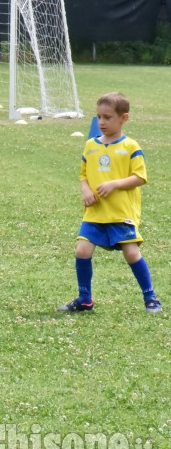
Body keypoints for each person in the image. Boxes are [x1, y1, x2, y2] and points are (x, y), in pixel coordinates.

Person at [59, 92, 162, 314]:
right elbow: (83, 175)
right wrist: (86, 190)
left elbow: (140, 177)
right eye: (99, 117)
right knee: (82, 250)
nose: (102, 122)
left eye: (108, 117)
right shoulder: (90, 146)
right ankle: (85, 299)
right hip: (95, 212)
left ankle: (151, 298)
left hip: (120, 213)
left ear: (123, 118)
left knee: (131, 253)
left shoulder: (131, 146)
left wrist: (115, 184)